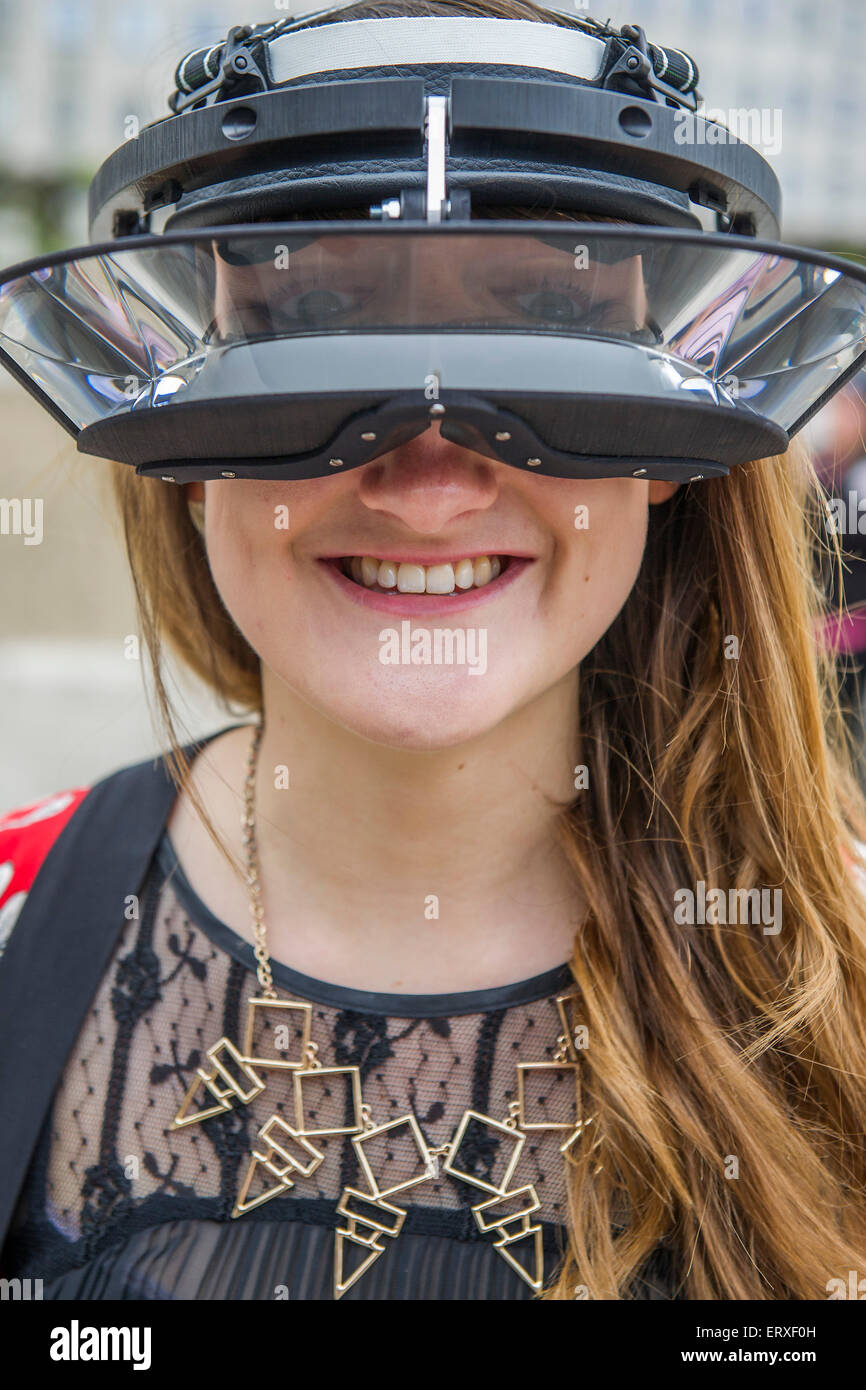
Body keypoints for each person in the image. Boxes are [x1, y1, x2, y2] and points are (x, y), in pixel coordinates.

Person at [1, 0, 865, 1303]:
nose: (426, 480)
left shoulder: (843, 969)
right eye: (318, 314)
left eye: (543, 318)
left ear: (669, 454)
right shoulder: (16, 918)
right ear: (183, 452)